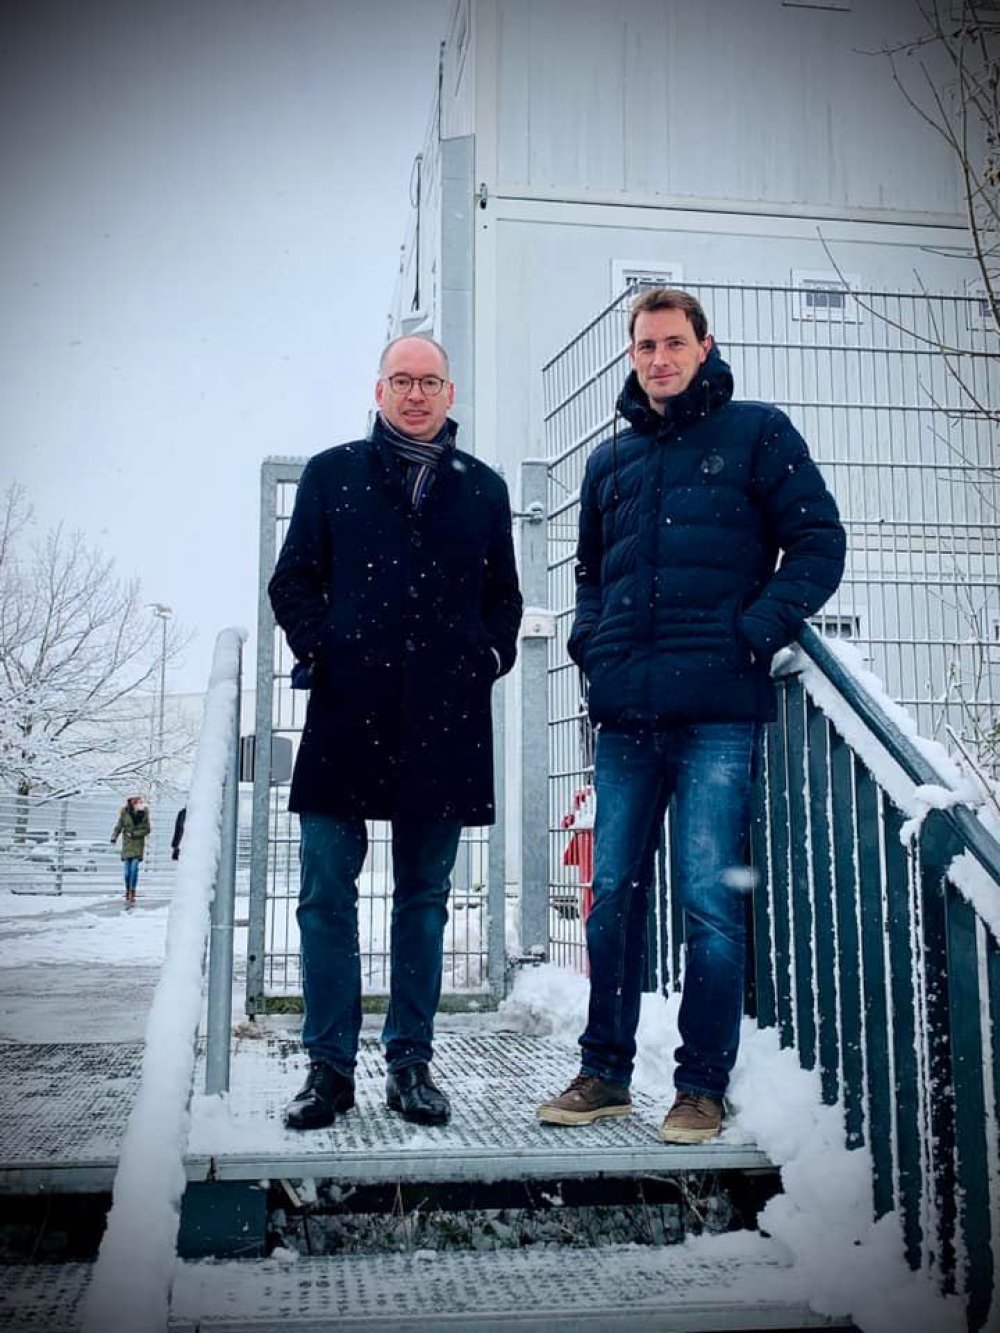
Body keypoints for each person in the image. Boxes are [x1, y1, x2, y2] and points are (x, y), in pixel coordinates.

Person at [538, 287, 845, 1143]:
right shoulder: (610, 462)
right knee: (610, 900)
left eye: (674, 342)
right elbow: (590, 575)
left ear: (704, 347)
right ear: (633, 356)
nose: (660, 358)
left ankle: (700, 1086)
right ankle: (604, 1071)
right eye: (646, 346)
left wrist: (754, 630)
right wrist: (591, 645)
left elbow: (819, 542)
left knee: (709, 904)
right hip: (625, 716)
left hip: (717, 710)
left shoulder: (758, 433)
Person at [269, 333, 523, 1131]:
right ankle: (329, 1068)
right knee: (324, 891)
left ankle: (410, 1062)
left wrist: (485, 656)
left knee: (424, 898)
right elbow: (292, 579)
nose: (416, 394)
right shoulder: (332, 474)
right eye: (402, 380)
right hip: (346, 712)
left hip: (444, 722)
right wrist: (324, 648)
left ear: (450, 394)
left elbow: (504, 599)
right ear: (379, 391)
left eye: (430, 381)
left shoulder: (483, 489)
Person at [110, 796, 151, 906]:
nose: (140, 804)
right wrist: (114, 837)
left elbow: (147, 829)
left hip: (137, 845)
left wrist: (134, 834)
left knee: (134, 869)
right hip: (127, 845)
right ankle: (128, 889)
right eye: (137, 802)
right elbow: (119, 826)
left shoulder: (144, 813)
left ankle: (132, 891)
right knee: (127, 872)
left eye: (140, 802)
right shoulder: (125, 813)